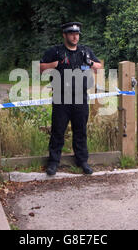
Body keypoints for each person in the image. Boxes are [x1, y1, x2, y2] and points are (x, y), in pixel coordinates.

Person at [40, 22, 103, 176]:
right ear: (65, 35)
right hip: (61, 97)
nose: (75, 37)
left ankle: (82, 161)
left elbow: (99, 66)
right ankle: (53, 162)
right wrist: (54, 64)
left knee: (80, 131)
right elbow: (40, 68)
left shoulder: (85, 51)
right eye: (71, 34)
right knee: (58, 131)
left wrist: (91, 63)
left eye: (77, 34)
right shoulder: (55, 51)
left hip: (80, 97)